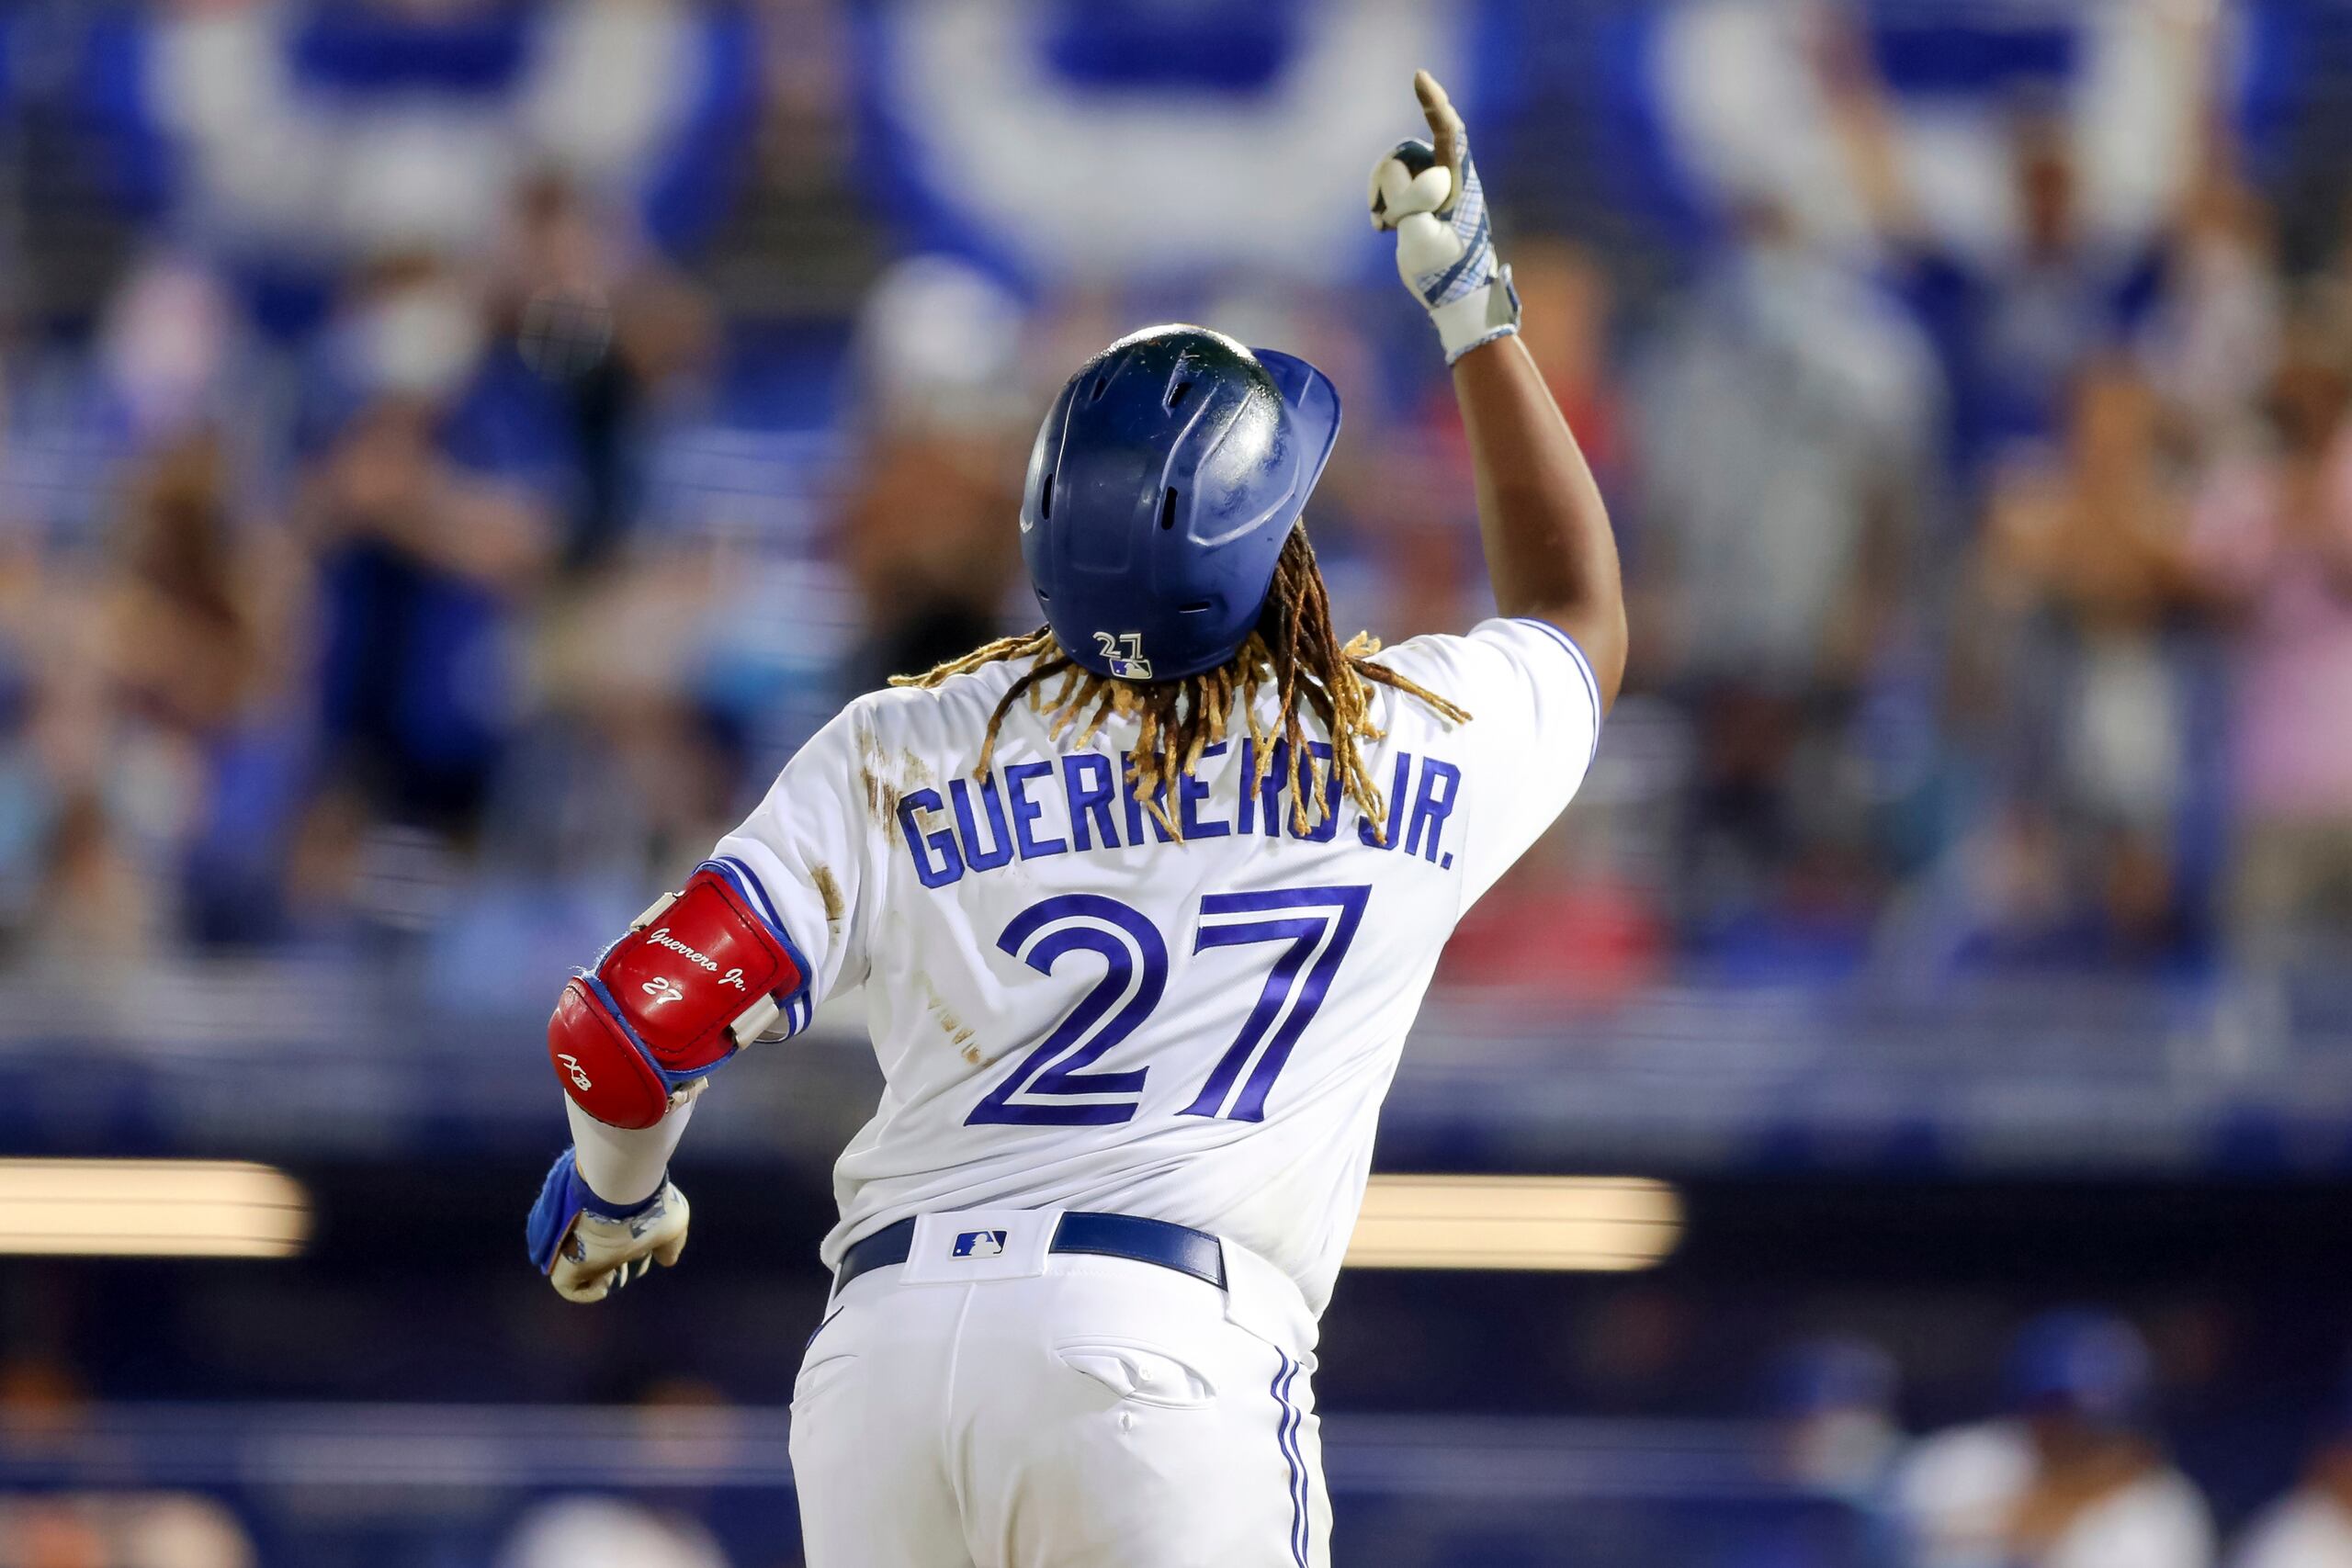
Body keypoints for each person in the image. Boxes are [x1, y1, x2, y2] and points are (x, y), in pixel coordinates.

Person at [522, 72, 1625, 1567]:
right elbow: (1577, 611)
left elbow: (626, 1029)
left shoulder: (905, 738)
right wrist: (1472, 304)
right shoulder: (1393, 746)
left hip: (886, 1371)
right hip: (1165, 1357)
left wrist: (617, 1198)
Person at [1896, 1310, 2213, 1568]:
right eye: (2059, 1411)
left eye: (2099, 1421)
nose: (2076, 1432)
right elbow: (1911, 1538)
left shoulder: (2160, 1503)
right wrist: (2030, 1514)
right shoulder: (1961, 1461)